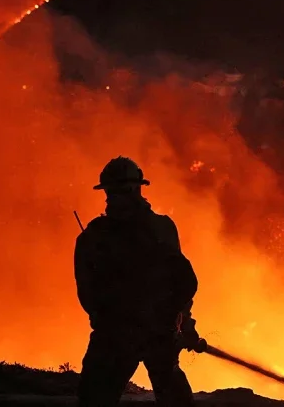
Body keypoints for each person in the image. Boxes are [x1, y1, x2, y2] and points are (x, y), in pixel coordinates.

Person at [74, 156, 206, 406]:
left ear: (135, 190)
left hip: (145, 333)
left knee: (172, 397)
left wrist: (184, 324)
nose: (113, 199)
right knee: (95, 396)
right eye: (111, 193)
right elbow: (88, 293)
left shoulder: (159, 229)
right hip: (123, 334)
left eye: (119, 192)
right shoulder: (94, 237)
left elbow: (180, 282)